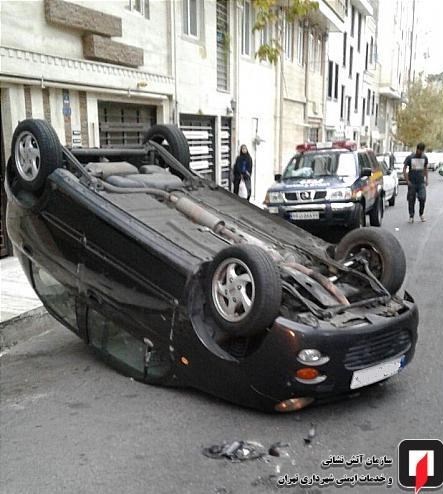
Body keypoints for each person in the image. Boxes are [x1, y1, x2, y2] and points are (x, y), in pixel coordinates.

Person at [403, 142, 429, 223]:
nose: (420, 152)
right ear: (417, 149)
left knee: (422, 198)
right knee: (411, 200)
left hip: (421, 182)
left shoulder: (424, 157)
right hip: (412, 182)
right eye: (419, 150)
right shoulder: (410, 157)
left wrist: (427, 179)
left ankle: (421, 214)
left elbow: (425, 168)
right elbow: (404, 168)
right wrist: (407, 180)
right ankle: (411, 216)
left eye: (422, 151)